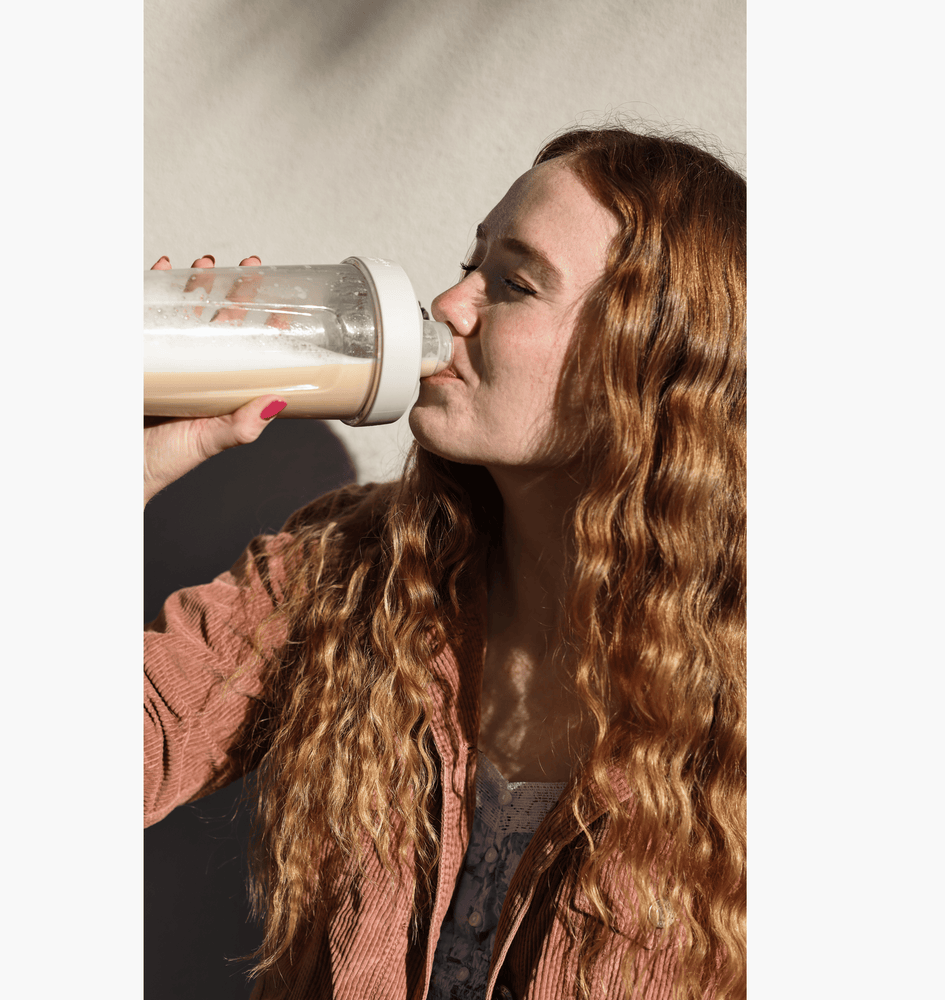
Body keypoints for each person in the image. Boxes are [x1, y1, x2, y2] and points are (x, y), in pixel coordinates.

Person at [144, 126, 746, 1000]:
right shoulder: (351, 572)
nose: (450, 303)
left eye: (515, 282)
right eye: (471, 264)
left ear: (652, 360)